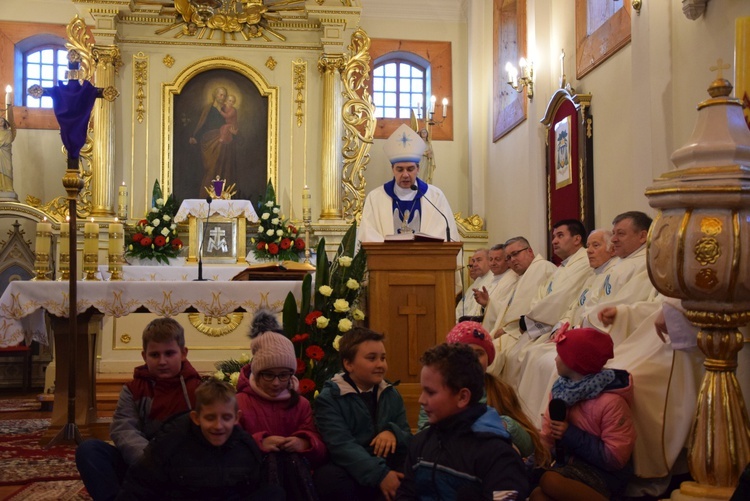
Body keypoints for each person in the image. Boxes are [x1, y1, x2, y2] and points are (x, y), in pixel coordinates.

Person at [76, 318, 202, 501]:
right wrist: (151, 461)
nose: (162, 361)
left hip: (183, 470)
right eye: (155, 355)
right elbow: (124, 429)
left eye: (169, 353)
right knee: (89, 450)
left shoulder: (199, 389)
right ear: (144, 356)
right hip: (143, 464)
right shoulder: (133, 389)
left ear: (183, 353)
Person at [396, 343, 530, 500]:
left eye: (430, 392)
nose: (421, 400)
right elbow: (405, 495)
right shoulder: (421, 443)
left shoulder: (498, 456)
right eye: (422, 390)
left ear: (462, 397)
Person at [116, 379, 284, 501]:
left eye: (226, 418)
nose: (218, 426)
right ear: (196, 418)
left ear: (236, 418)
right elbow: (139, 485)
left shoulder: (245, 446)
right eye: (210, 418)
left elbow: (252, 489)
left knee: (274, 493)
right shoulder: (171, 442)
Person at [417, 321, 549, 468]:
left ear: (489, 357)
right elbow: (423, 438)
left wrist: (506, 425)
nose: (473, 361)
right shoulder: (437, 395)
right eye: (466, 353)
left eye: (479, 354)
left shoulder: (501, 390)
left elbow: (529, 445)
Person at [531, 328, 636, 501]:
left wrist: (569, 433)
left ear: (574, 363)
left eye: (560, 355)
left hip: (604, 475)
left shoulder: (611, 402)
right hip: (571, 466)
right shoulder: (561, 391)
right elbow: (548, 439)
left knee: (550, 481)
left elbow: (615, 458)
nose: (556, 359)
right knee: (537, 495)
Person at [236, 310, 326, 499]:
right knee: (271, 461)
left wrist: (304, 442)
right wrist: (261, 442)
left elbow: (318, 447)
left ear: (291, 374)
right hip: (253, 478)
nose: (276, 383)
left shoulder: (300, 404)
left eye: (283, 375)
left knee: (292, 460)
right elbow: (231, 445)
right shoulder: (241, 402)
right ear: (257, 373)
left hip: (295, 476)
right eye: (269, 375)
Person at [313, 327, 412, 501]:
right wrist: (380, 474)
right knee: (329, 478)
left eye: (383, 358)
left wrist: (392, 432)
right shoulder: (330, 398)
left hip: (386, 463)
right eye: (371, 358)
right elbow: (342, 446)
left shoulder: (390, 393)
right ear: (348, 364)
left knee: (413, 468)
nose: (381, 364)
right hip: (352, 468)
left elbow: (406, 435)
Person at [501, 220, 592, 386]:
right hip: (543, 324)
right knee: (515, 356)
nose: (554, 241)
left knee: (526, 357)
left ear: (577, 239)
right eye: (553, 236)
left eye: (560, 235)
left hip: (552, 325)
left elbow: (561, 297)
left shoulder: (584, 262)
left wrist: (527, 321)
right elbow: (541, 294)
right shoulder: (562, 267)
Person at [357, 123, 459, 243]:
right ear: (393, 169)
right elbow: (368, 234)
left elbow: (445, 234)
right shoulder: (375, 198)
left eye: (410, 169)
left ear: (418, 169)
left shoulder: (435, 196)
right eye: (400, 169)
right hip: (387, 260)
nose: (405, 174)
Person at [488, 236, 556, 375]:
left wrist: (508, 329)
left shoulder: (541, 268)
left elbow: (534, 306)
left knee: (490, 354)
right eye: (508, 257)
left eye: (515, 254)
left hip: (529, 331)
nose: (512, 260)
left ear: (530, 251)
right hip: (516, 331)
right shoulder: (522, 275)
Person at [189, 86, 237, 193]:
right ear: (215, 95)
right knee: (211, 169)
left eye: (225, 95)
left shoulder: (225, 110)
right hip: (210, 142)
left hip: (224, 144)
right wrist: (195, 137)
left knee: (223, 170)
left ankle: (222, 195)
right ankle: (207, 195)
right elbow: (202, 124)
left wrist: (234, 134)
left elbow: (231, 126)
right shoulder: (208, 109)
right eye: (221, 94)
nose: (223, 97)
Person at [476, 243, 519, 331]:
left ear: (507, 261)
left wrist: (487, 303)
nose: (493, 263)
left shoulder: (512, 279)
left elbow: (506, 311)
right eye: (490, 259)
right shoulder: (490, 279)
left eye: (497, 259)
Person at [456, 248, 492, 321]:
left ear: (489, 261)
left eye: (479, 260)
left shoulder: (492, 280)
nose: (474, 264)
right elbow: (461, 308)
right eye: (474, 261)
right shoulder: (477, 281)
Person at [0, 105, 17, 198]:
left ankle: (8, 188)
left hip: (5, 155)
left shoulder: (8, 132)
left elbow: (7, 142)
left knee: (8, 170)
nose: (0, 122)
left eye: (2, 121)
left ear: (4, 122)